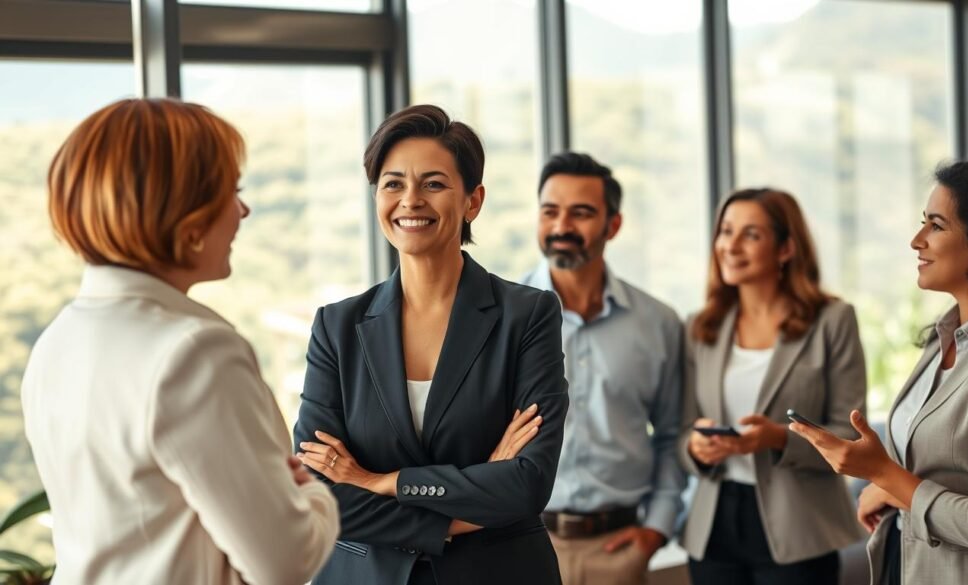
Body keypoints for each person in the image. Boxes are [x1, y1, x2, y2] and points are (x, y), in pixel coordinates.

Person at [20, 98, 339, 585]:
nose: (243, 210)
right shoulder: (195, 352)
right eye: (231, 192)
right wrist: (312, 495)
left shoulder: (58, 340)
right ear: (187, 218)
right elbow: (285, 562)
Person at [293, 104, 568, 585]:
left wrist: (383, 481)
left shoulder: (527, 315)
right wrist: (455, 514)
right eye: (393, 183)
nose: (410, 200)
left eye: (434, 184)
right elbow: (318, 487)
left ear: (472, 201)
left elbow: (527, 482)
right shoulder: (337, 327)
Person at [791, 134, 968, 585]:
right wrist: (888, 486)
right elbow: (933, 472)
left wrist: (884, 475)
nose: (917, 240)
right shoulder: (943, 337)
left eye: (936, 226)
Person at [679, 188, 866, 585]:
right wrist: (695, 447)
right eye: (725, 232)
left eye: (751, 235)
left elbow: (850, 436)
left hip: (799, 527)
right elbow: (679, 432)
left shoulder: (832, 320)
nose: (730, 246)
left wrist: (778, 438)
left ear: (785, 249)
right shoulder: (701, 326)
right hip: (715, 526)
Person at [519, 152, 685, 585]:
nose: (561, 227)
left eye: (582, 213)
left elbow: (672, 434)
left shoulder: (659, 324)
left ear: (613, 225)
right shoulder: (499, 317)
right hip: (519, 541)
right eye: (550, 211)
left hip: (619, 551)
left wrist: (657, 529)